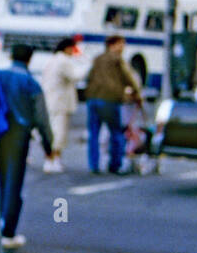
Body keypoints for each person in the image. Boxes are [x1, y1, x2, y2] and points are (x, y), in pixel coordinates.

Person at [0, 44, 54, 249]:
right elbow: (41, 117)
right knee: (13, 183)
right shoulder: (31, 83)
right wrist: (48, 144)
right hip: (18, 135)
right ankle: (7, 231)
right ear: (30, 59)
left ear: (11, 56)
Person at [84, 35, 142, 175]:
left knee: (94, 133)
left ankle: (94, 165)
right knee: (116, 132)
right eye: (121, 44)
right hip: (110, 99)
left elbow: (89, 76)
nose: (123, 48)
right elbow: (128, 77)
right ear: (112, 45)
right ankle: (115, 164)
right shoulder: (118, 59)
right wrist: (137, 93)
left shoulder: (97, 58)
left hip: (93, 98)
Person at [40, 37, 84, 173]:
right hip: (60, 102)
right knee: (59, 133)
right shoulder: (63, 61)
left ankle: (50, 160)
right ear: (67, 48)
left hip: (49, 100)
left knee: (50, 132)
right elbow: (76, 76)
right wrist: (86, 66)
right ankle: (54, 160)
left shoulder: (52, 60)